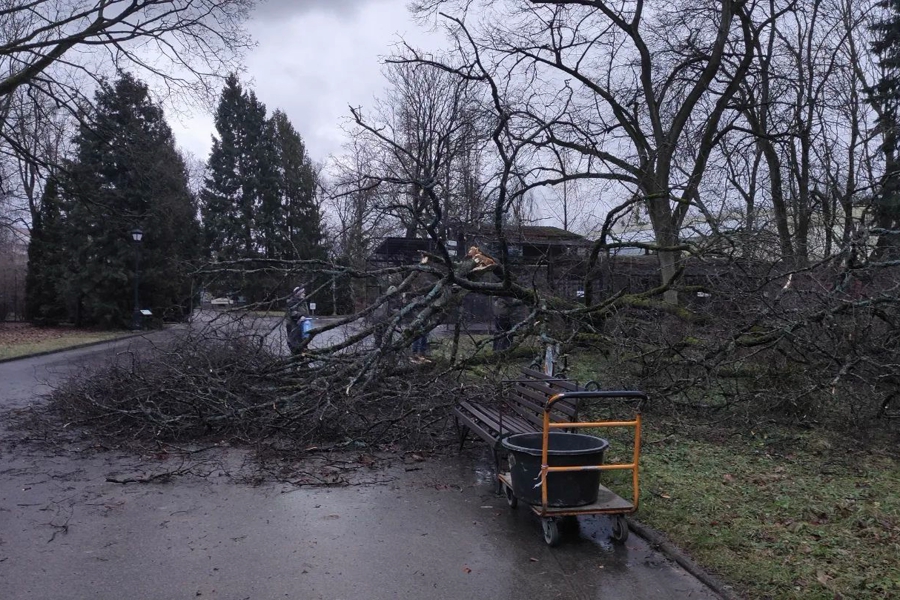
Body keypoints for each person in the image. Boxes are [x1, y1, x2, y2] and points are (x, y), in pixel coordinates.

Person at [286, 287, 309, 354]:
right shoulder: (292, 302)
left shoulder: (303, 302)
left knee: (303, 343)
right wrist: (300, 316)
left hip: (302, 326)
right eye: (303, 293)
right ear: (298, 294)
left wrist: (306, 317)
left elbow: (306, 313)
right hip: (293, 325)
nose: (304, 294)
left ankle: (303, 356)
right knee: (294, 343)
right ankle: (295, 357)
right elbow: (292, 313)